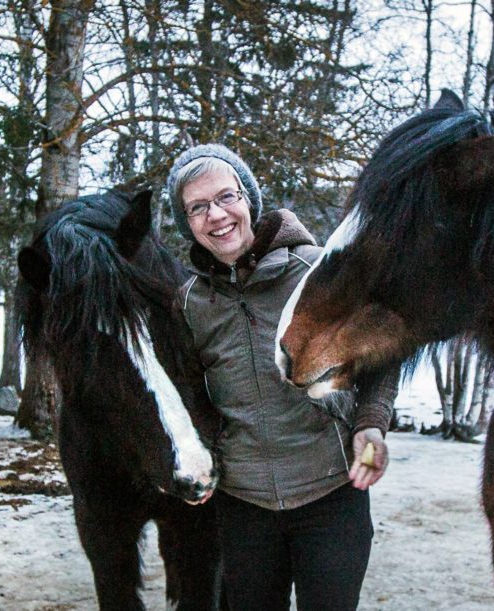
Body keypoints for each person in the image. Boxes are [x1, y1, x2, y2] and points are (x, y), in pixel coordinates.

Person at [166, 143, 399, 611]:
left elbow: (380, 358)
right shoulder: (189, 303)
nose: (216, 215)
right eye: (198, 207)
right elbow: (188, 395)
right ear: (187, 223)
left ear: (249, 199)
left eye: (226, 196)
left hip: (331, 496)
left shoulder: (318, 271)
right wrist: (199, 454)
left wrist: (371, 425)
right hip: (243, 506)